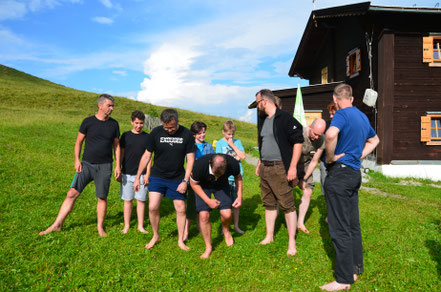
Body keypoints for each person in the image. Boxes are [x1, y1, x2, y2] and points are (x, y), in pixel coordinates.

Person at [320, 84, 379, 291]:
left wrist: (330, 157)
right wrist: (358, 156)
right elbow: (375, 140)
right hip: (354, 174)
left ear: (336, 100)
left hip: (340, 175)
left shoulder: (341, 115)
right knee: (353, 224)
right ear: (352, 99)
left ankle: (343, 279)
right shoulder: (362, 116)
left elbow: (329, 135)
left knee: (339, 227)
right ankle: (354, 268)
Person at [39, 94, 120, 237]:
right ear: (100, 106)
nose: (112, 108)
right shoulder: (88, 122)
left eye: (113, 106)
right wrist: (77, 160)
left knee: (102, 197)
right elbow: (78, 142)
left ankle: (100, 228)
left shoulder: (114, 124)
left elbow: (117, 146)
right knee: (71, 193)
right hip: (86, 164)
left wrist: (118, 165)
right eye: (109, 106)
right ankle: (56, 225)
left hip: (105, 166)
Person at [133, 109, 195, 251]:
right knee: (153, 207)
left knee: (181, 209)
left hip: (177, 177)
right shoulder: (156, 132)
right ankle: (155, 235)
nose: (169, 130)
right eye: (166, 127)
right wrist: (138, 177)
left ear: (177, 122)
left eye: (172, 127)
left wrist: (185, 181)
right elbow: (146, 155)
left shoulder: (186, 134)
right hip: (157, 175)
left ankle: (180, 240)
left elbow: (190, 159)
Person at [254, 89, 304, 256]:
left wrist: (292, 167)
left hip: (280, 168)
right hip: (265, 168)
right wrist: (260, 162)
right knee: (269, 203)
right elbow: (263, 142)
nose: (257, 106)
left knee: (287, 205)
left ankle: (292, 242)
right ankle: (269, 236)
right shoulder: (262, 119)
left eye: (257, 103)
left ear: (265, 102)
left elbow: (298, 142)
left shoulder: (285, 118)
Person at [190, 154, 242, 258]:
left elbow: (238, 178)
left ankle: (226, 231)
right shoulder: (199, 165)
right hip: (203, 186)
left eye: (220, 174)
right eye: (215, 174)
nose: (217, 177)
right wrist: (208, 201)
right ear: (210, 163)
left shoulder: (233, 163)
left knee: (227, 214)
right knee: (204, 216)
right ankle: (208, 247)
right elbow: (194, 184)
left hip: (221, 186)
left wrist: (239, 196)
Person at [119, 110, 152, 234]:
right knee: (128, 200)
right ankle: (126, 225)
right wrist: (118, 168)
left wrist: (148, 174)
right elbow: (121, 154)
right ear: (132, 122)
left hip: (142, 175)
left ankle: (140, 226)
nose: (139, 126)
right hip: (127, 173)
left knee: (141, 200)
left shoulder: (148, 137)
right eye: (136, 123)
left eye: (141, 123)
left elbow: (149, 157)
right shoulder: (126, 136)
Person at [183, 121, 214, 241]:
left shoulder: (209, 146)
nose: (202, 135)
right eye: (199, 133)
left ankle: (201, 226)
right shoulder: (190, 146)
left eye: (204, 132)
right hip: (193, 178)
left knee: (204, 205)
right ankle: (186, 230)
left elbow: (212, 161)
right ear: (194, 134)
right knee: (191, 205)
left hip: (205, 179)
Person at [215, 120, 246, 234]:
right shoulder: (219, 143)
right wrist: (234, 158)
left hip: (237, 177)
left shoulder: (237, 142)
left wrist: (232, 144)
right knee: (225, 204)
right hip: (225, 178)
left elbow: (242, 156)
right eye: (228, 134)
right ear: (223, 132)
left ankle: (236, 226)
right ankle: (225, 227)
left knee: (236, 203)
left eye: (232, 134)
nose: (231, 136)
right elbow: (220, 160)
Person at [296, 118, 326, 234]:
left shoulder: (321, 140)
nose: (317, 137)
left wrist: (304, 178)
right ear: (310, 127)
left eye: (320, 135)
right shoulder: (299, 133)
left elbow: (314, 161)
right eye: (315, 134)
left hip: (306, 165)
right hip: (292, 163)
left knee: (308, 191)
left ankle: (300, 222)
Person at [319, 102, 337, 198]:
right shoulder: (326, 125)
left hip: (337, 163)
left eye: (333, 114)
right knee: (326, 190)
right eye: (330, 113)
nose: (330, 116)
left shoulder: (345, 127)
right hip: (325, 162)